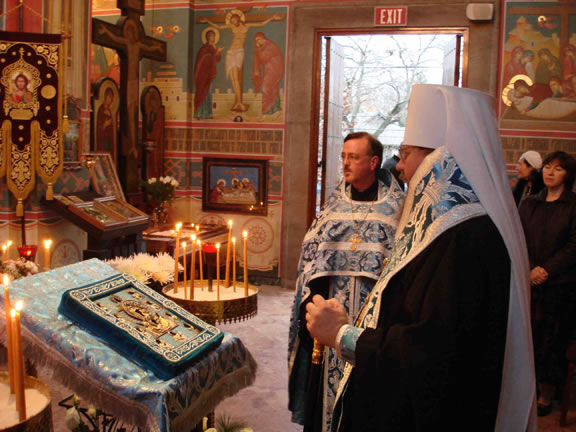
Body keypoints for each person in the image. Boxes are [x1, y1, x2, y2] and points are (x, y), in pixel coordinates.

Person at [305, 85, 536, 432]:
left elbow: (430, 353)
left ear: (440, 160)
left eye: (406, 153)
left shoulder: (465, 239)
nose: (400, 167)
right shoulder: (451, 230)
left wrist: (342, 335)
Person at [288, 132, 404, 432]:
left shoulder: (396, 208)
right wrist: (310, 306)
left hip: (373, 321)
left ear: (373, 162)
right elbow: (311, 258)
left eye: (353, 157)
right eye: (343, 157)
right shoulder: (333, 206)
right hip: (330, 315)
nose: (345, 164)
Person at [518, 151, 576, 417]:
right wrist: (531, 268)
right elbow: (518, 236)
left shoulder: (572, 206)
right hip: (529, 281)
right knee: (529, 337)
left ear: (568, 174)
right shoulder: (530, 203)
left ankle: (548, 390)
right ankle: (527, 387)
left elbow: (573, 245)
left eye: (558, 169)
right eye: (548, 167)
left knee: (553, 339)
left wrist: (546, 270)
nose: (550, 172)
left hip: (560, 284)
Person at [252, 32, 285, 117]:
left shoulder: (270, 46)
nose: (257, 42)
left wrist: (259, 49)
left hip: (274, 70)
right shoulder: (265, 46)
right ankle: (275, 110)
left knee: (266, 88)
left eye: (258, 40)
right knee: (273, 89)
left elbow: (263, 58)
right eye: (256, 41)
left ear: (263, 39)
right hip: (269, 70)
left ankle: (267, 111)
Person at [194, 29, 223, 119]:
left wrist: (217, 51)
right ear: (208, 37)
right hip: (202, 74)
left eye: (214, 36)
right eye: (211, 36)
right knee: (201, 92)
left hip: (209, 74)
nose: (213, 38)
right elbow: (203, 59)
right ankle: (198, 113)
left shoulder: (213, 47)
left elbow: (218, 59)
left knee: (208, 93)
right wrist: (215, 52)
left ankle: (208, 114)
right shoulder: (204, 49)